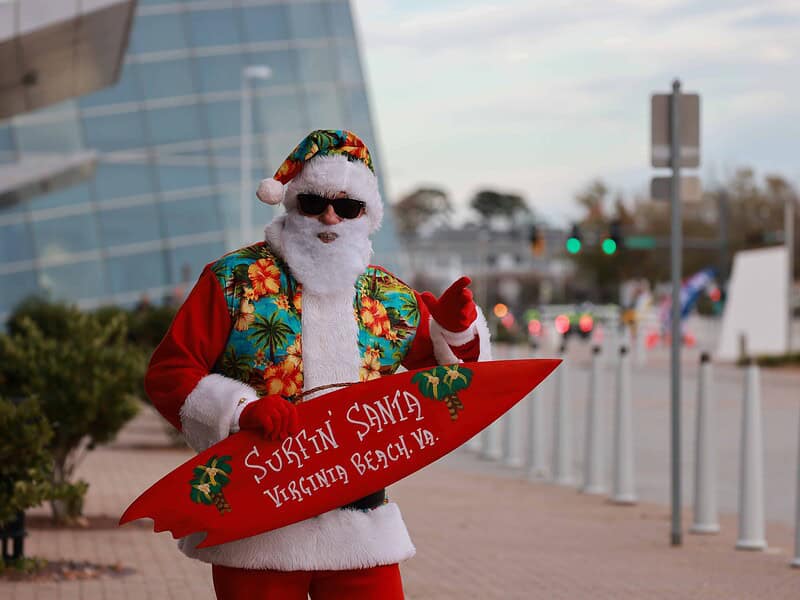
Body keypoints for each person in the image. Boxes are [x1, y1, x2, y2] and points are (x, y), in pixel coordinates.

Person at [145, 129, 491, 599]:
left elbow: (453, 383)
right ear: (291, 203)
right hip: (259, 522)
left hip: (361, 527)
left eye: (346, 207)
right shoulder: (233, 280)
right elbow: (171, 372)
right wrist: (240, 411)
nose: (330, 216)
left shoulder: (390, 297)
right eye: (313, 203)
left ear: (365, 216)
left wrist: (456, 332)